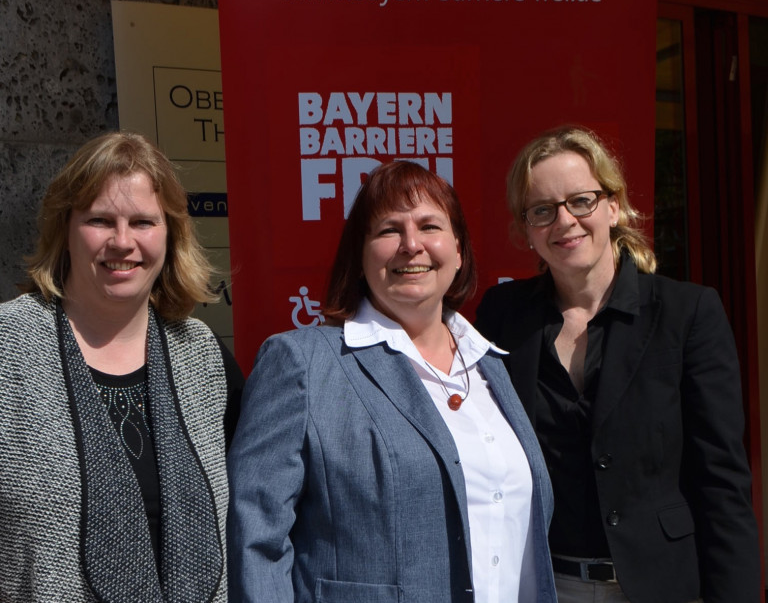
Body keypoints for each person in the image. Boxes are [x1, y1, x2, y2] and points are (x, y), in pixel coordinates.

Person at [227, 160, 557, 603]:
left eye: (429, 226)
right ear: (360, 256)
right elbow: (256, 537)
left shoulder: (491, 367)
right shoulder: (302, 363)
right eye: (388, 230)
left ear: (458, 250)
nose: (411, 245)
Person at [475, 126, 760, 603]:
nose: (564, 220)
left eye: (581, 201)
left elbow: (722, 482)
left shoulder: (686, 313)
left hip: (661, 586)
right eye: (542, 210)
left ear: (613, 205)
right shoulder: (503, 316)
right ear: (526, 229)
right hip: (543, 584)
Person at [0, 131, 243, 602]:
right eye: (100, 220)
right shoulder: (8, 349)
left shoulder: (204, 358)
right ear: (65, 230)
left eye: (143, 222)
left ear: (170, 234)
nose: (123, 241)